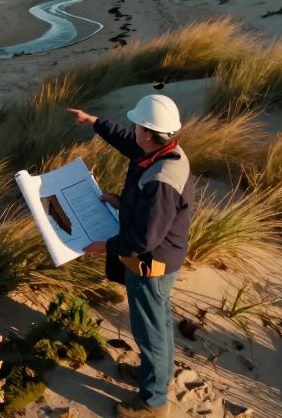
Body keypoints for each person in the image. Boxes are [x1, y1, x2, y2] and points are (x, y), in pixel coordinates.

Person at [66, 94, 193, 418]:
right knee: (159, 323)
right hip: (162, 260)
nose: (133, 130)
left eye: (138, 126)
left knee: (150, 329)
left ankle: (153, 403)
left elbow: (144, 238)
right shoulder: (165, 151)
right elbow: (126, 142)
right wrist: (94, 122)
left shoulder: (162, 179)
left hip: (152, 265)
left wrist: (104, 247)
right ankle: (156, 377)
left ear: (149, 134)